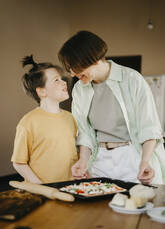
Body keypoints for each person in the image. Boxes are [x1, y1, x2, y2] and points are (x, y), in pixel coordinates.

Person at [58, 30, 165, 184]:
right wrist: (83, 160)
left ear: (92, 58)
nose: (73, 74)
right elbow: (84, 132)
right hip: (99, 160)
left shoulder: (132, 79)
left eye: (74, 67)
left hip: (132, 157)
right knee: (98, 206)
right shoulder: (79, 89)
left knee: (135, 205)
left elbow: (149, 128)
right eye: (70, 69)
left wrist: (145, 161)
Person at [11, 55, 78, 184]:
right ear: (42, 92)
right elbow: (19, 163)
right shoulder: (28, 122)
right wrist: (41, 186)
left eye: (62, 79)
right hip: (42, 192)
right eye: (56, 80)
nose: (64, 82)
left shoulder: (71, 118)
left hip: (70, 187)